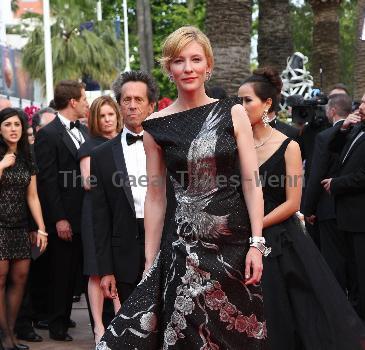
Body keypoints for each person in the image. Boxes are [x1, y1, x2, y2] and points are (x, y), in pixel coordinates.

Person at [98, 26, 268, 350]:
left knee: (237, 335)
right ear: (169, 68)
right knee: (186, 336)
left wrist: (257, 243)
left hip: (235, 246)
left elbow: (251, 181)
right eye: (179, 61)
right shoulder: (156, 126)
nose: (188, 68)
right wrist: (150, 262)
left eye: (195, 59)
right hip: (183, 250)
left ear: (208, 65)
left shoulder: (233, 113)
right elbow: (156, 197)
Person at [238, 67, 365, 350]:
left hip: (277, 238)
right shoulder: (234, 144)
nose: (242, 106)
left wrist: (255, 227)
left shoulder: (289, 146)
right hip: (239, 237)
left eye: (248, 100)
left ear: (267, 103)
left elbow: (293, 203)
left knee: (282, 313)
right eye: (239, 100)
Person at [91, 71, 159, 309]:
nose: (132, 106)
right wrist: (105, 270)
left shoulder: (168, 149)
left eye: (138, 100)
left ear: (151, 106)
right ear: (119, 104)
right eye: (126, 100)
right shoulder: (101, 156)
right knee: (131, 325)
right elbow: (99, 217)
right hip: (124, 252)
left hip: (164, 246)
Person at [34, 80, 89, 342]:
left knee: (75, 272)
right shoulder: (48, 134)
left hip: (85, 215)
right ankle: (56, 325)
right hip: (65, 217)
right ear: (73, 102)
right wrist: (59, 219)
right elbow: (48, 182)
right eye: (84, 98)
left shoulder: (83, 131)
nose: (87, 103)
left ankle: (63, 316)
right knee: (61, 272)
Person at [0, 108, 48, 350]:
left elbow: (33, 197)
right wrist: (0, 166)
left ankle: (9, 331)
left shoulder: (27, 158)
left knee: (19, 278)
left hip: (19, 226)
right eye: (7, 124)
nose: (13, 129)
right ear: (0, 129)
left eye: (17, 124)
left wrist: (41, 228)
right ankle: (5, 337)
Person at [78, 96, 123, 344]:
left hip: (120, 213)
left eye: (110, 115)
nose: (107, 120)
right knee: (96, 272)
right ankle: (98, 328)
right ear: (95, 119)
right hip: (94, 213)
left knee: (118, 269)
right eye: (102, 116)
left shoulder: (123, 141)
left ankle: (121, 323)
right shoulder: (89, 146)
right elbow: (88, 183)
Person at [321, 93, 365, 321]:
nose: (361, 106)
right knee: (353, 274)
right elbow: (335, 150)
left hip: (360, 219)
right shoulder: (357, 129)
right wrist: (343, 129)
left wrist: (336, 184)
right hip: (347, 216)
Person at [303, 93, 352, 291]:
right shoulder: (358, 133)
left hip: (328, 207)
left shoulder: (325, 137)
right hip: (352, 207)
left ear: (331, 111)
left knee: (334, 261)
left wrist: (308, 208)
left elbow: (316, 175)